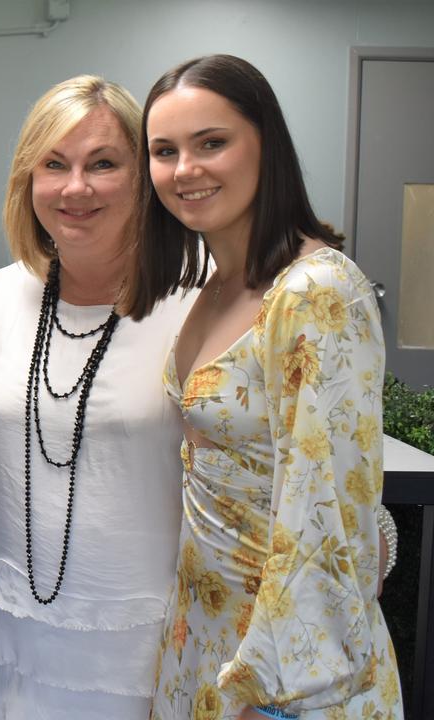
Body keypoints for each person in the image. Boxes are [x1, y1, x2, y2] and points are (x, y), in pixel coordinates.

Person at [126, 54, 402, 719]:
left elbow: (323, 508)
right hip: (205, 630)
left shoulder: (316, 291)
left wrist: (270, 691)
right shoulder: (217, 285)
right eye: (164, 151)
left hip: (287, 670)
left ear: (264, 144)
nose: (185, 169)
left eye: (211, 142)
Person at [0, 76, 196, 718]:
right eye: (55, 164)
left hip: (160, 656)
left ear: (144, 177)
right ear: (28, 181)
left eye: (104, 163)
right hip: (22, 644)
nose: (77, 188)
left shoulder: (200, 301)